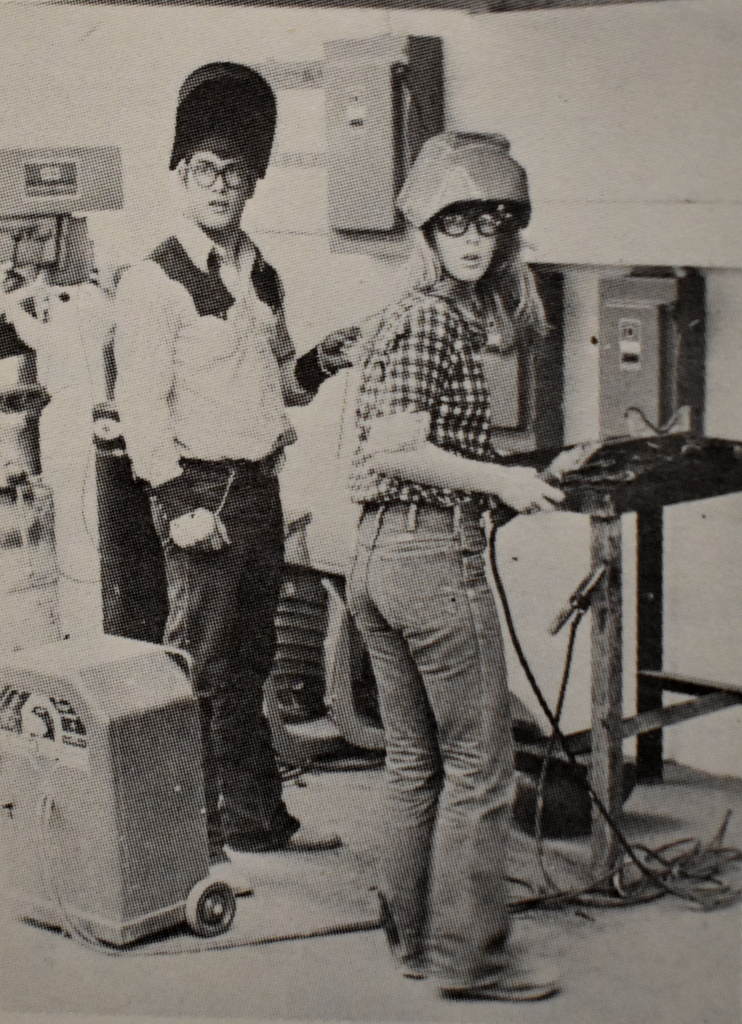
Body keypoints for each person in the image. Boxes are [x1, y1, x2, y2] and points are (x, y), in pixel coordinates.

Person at [115, 63, 351, 866]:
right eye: (205, 171)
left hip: (256, 489)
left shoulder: (261, 275)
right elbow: (140, 408)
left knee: (250, 666)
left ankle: (257, 821)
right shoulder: (155, 282)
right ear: (182, 175)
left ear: (253, 183)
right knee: (204, 669)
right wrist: (178, 502)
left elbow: (282, 385)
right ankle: (200, 848)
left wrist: (323, 361)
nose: (220, 187)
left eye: (236, 174)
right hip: (200, 494)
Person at [347, 132, 565, 1001]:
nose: (474, 240)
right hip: (430, 557)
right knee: (480, 764)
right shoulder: (435, 316)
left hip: (375, 556)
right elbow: (400, 446)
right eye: (455, 223)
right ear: (426, 233)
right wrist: (501, 479)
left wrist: (493, 484)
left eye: (488, 223)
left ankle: (413, 942)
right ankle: (470, 958)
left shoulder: (401, 314)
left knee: (414, 761)